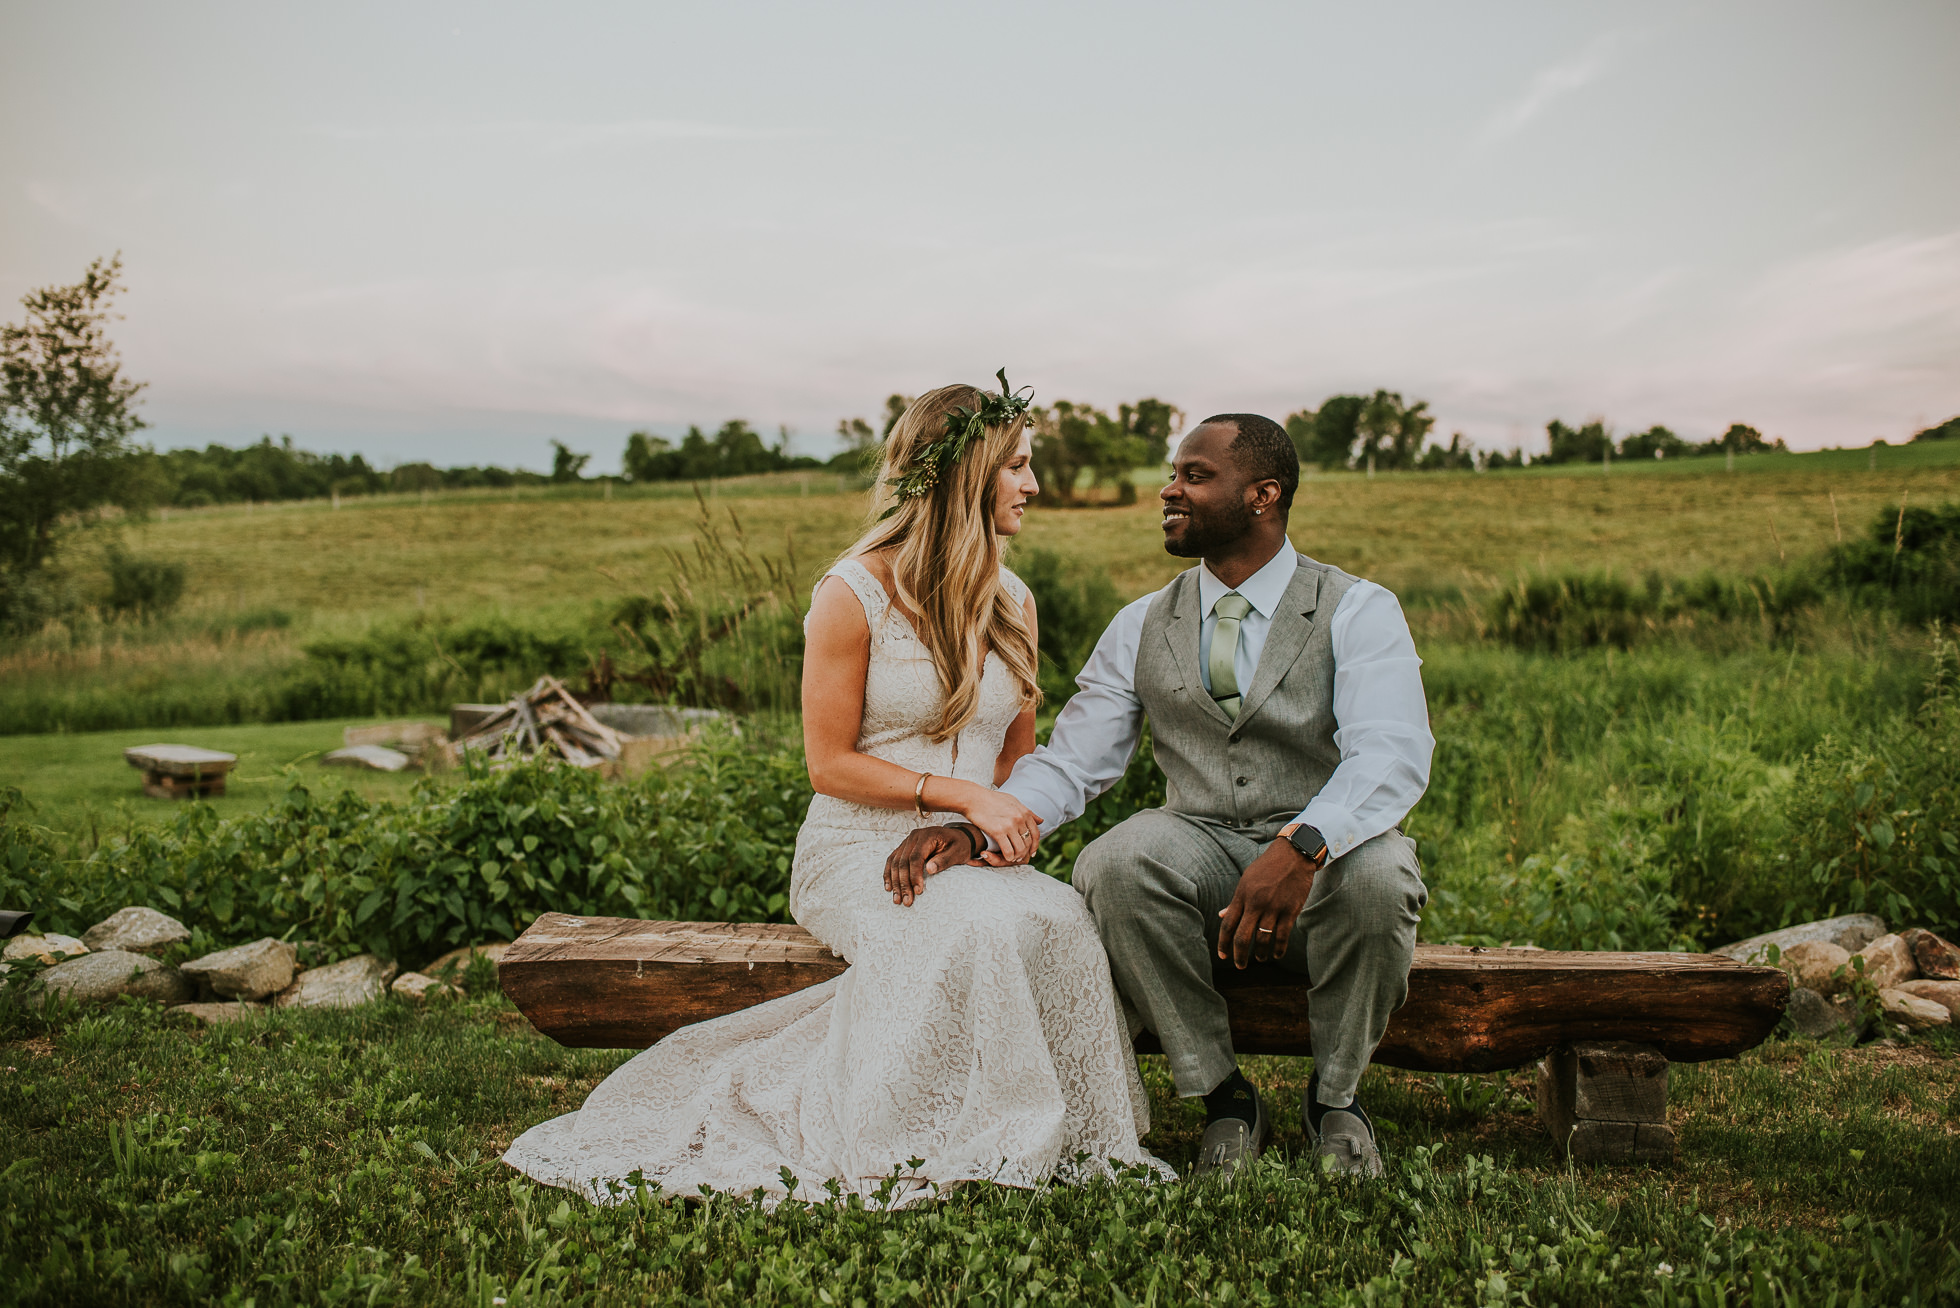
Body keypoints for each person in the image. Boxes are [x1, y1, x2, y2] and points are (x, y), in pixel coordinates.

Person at [503, 375, 1165, 1206]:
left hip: (965, 853)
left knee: (1059, 918)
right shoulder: (850, 594)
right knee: (976, 932)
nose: (1032, 485)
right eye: (1018, 466)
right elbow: (829, 763)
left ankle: (1073, 1135)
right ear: (965, 475)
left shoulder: (1014, 601)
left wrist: (995, 826)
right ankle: (930, 1140)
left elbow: (1012, 764)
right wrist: (958, 800)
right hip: (855, 847)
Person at [887, 413, 1432, 1180]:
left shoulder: (1357, 609)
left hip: (1328, 857)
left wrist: (1303, 844)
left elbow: (1393, 753)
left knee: (1383, 877)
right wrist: (979, 826)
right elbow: (1074, 761)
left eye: (1195, 476)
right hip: (1201, 844)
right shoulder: (1143, 622)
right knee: (1117, 863)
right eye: (1174, 473)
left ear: (1263, 495)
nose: (1169, 490)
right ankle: (1225, 1098)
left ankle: (1336, 1100)